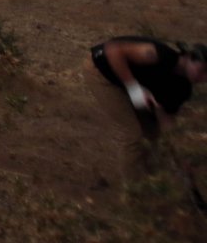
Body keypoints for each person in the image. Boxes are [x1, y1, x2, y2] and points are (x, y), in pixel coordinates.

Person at [86, 36, 207, 179]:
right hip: (103, 72)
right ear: (188, 57)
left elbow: (166, 120)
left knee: (152, 133)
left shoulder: (182, 89)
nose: (203, 78)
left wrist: (180, 157)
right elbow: (113, 50)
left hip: (130, 83)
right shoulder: (158, 55)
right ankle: (135, 192)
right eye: (202, 70)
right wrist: (134, 88)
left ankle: (149, 181)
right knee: (133, 134)